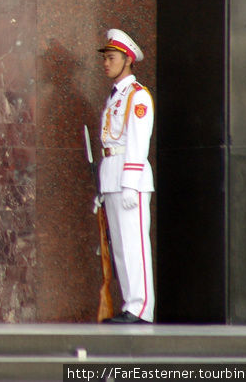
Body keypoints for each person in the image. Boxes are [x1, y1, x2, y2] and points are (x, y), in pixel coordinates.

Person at [97, 28, 154, 324]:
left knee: (135, 245)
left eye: (112, 58)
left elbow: (137, 141)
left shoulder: (137, 95)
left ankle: (141, 308)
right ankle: (130, 304)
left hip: (129, 179)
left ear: (128, 59)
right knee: (120, 247)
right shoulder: (115, 97)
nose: (106, 63)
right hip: (112, 176)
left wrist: (130, 183)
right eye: (105, 58)